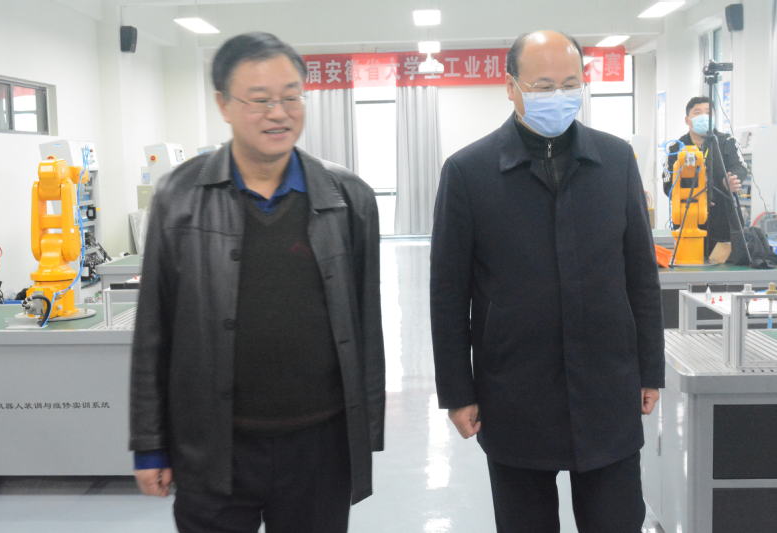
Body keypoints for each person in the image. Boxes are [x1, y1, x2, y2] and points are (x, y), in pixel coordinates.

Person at [129, 32, 385, 533]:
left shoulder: (347, 198)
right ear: (223, 104)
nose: (279, 113)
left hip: (320, 445)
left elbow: (366, 323)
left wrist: (366, 429)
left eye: (291, 97)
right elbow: (153, 331)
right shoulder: (180, 197)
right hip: (213, 444)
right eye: (260, 99)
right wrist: (150, 445)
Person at [430, 30, 665, 532]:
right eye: (542, 86)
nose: (558, 96)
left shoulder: (615, 161)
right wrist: (457, 391)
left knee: (617, 520)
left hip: (607, 384)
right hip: (514, 388)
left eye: (570, 83)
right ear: (510, 86)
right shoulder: (469, 172)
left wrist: (650, 368)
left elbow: (640, 274)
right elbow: (448, 294)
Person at [662, 96, 749, 258]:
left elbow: (740, 166)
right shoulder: (676, 147)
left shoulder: (727, 141)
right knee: (690, 265)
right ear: (687, 120)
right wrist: (697, 196)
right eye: (697, 112)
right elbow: (668, 185)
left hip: (724, 220)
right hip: (689, 220)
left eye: (709, 112)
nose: (704, 116)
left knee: (727, 268)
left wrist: (729, 180)